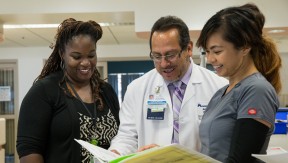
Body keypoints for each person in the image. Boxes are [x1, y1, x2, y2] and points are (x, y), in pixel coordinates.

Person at [109, 15, 228, 155]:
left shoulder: (219, 87)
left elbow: (223, 141)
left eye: (170, 55)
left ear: (188, 49)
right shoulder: (137, 88)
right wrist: (116, 153)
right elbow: (127, 136)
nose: (164, 64)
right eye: (157, 56)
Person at [16, 18, 120, 163]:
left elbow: (121, 138)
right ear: (62, 54)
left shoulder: (106, 91)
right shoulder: (44, 91)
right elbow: (29, 149)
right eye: (76, 57)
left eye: (91, 55)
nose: (85, 62)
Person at [196, 3, 282, 163]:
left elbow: (241, 160)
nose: (210, 59)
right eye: (207, 52)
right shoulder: (221, 93)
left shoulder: (257, 90)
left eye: (217, 51)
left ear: (244, 47)